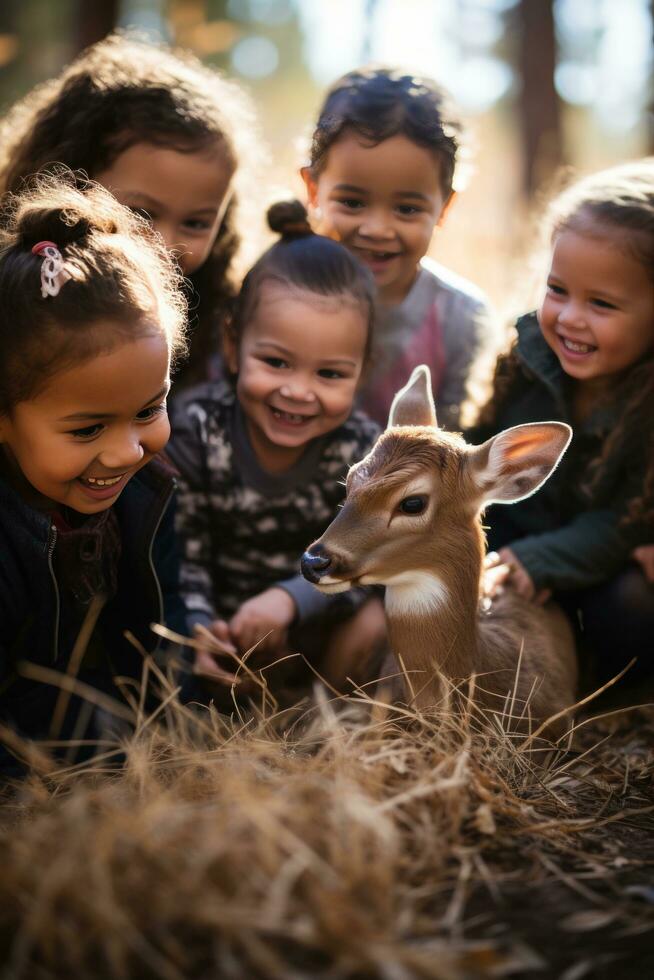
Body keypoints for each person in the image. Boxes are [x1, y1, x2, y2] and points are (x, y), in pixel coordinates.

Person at [0, 175, 188, 778]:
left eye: (148, 410)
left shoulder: (150, 492)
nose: (128, 451)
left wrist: (176, 701)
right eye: (86, 430)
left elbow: (165, 618)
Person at [168, 201, 386, 703]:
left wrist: (291, 600)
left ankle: (319, 720)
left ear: (363, 370)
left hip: (315, 633)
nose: (298, 392)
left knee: (381, 617)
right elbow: (181, 556)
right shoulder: (197, 429)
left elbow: (369, 564)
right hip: (216, 633)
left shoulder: (361, 454)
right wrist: (199, 629)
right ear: (232, 345)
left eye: (329, 373)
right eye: (276, 362)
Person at [470, 159, 654, 686]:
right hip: (507, 551)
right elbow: (484, 450)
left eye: (601, 303)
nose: (570, 317)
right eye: (558, 290)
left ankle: (605, 684)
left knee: (632, 607)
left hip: (590, 574)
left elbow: (629, 522)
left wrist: (541, 559)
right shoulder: (525, 362)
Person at [0, 31, 261, 390]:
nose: (166, 245)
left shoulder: (219, 333)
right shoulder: (14, 299)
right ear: (67, 182)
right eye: (141, 214)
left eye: (197, 223)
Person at [301, 66, 496, 430]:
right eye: (353, 203)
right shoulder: (280, 291)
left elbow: (460, 437)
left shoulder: (461, 318)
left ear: (445, 207)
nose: (377, 229)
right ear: (313, 190)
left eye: (407, 209)